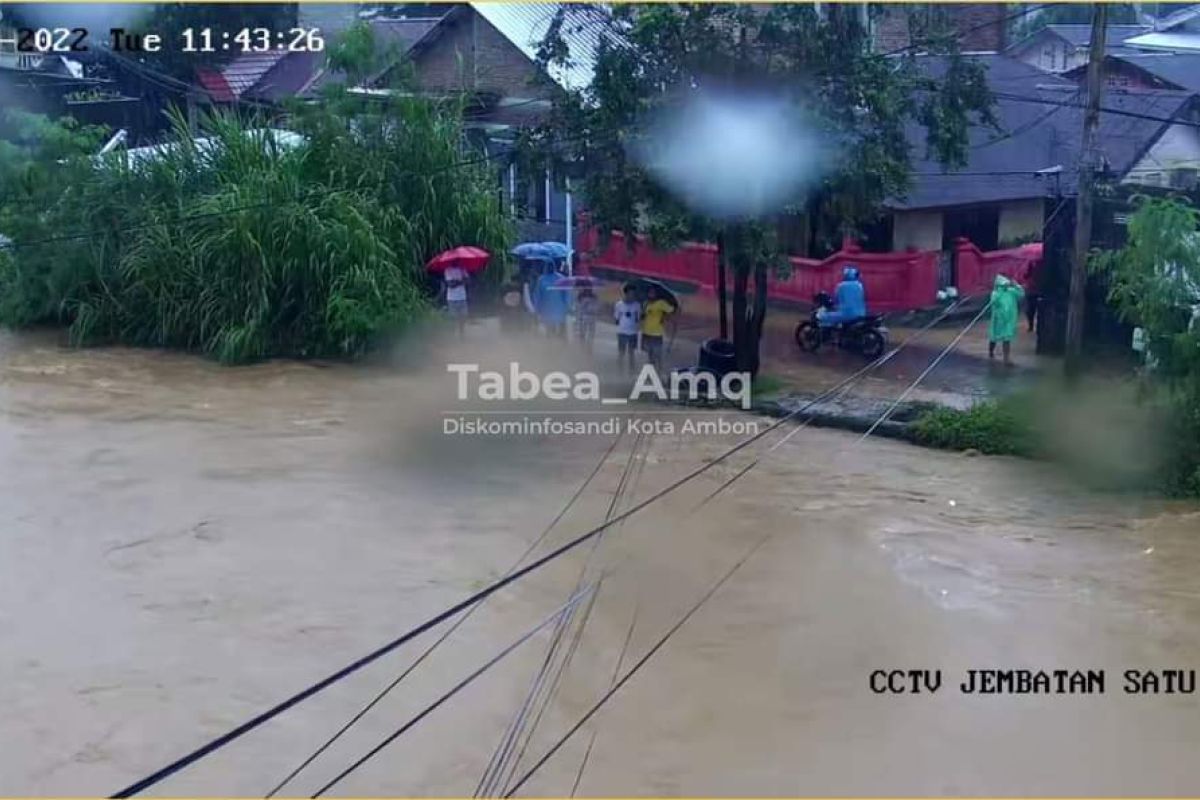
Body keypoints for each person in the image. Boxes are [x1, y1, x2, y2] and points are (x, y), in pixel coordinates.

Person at [988, 274, 1025, 365]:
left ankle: (1006, 358)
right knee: (993, 338)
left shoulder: (1011, 292)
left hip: (1009, 320)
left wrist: (1016, 285)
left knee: (1007, 338)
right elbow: (994, 302)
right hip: (998, 320)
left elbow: (1021, 294)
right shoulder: (995, 293)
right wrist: (1000, 290)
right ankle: (991, 352)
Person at [641, 286, 675, 371]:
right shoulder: (646, 303)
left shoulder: (661, 303)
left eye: (653, 293)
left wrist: (664, 316)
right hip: (646, 332)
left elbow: (671, 310)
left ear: (656, 294)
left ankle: (659, 371)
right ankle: (652, 371)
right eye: (649, 292)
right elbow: (643, 316)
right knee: (649, 354)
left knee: (657, 354)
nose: (651, 294)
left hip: (657, 333)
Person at [533, 262, 570, 338]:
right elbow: (538, 295)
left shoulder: (560, 278)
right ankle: (552, 344)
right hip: (550, 308)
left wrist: (567, 306)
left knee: (559, 329)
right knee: (551, 329)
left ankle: (559, 343)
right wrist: (537, 308)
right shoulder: (542, 279)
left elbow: (566, 294)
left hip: (557, 308)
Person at [614, 284, 642, 372]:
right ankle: (619, 370)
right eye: (630, 293)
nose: (632, 295)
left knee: (631, 353)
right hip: (622, 332)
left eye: (633, 294)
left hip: (633, 332)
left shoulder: (637, 305)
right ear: (625, 293)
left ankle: (631, 370)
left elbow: (638, 318)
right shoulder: (619, 304)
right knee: (621, 353)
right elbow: (616, 319)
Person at [442, 264, 469, 338]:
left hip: (462, 297)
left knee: (463, 316)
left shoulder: (462, 269)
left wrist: (457, 281)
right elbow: (450, 284)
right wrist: (461, 281)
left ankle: (461, 333)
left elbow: (468, 281)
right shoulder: (448, 270)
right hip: (452, 298)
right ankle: (452, 334)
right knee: (453, 317)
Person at [574, 282, 599, 352]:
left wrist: (592, 308)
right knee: (582, 333)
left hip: (592, 317)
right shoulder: (580, 296)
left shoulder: (594, 296)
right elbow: (578, 307)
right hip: (583, 317)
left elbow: (597, 307)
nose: (588, 289)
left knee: (591, 334)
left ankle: (589, 347)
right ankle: (582, 347)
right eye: (587, 287)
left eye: (590, 287)